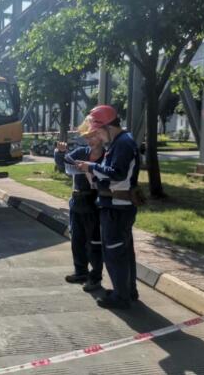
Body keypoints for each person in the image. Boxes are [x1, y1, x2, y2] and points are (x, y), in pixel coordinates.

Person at [75, 105, 140, 310]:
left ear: (108, 127)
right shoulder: (119, 142)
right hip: (116, 205)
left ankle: (122, 297)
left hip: (116, 208)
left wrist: (91, 167)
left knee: (115, 253)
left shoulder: (123, 143)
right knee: (123, 252)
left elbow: (117, 173)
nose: (98, 137)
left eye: (98, 132)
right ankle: (127, 291)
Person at [54, 120, 104, 293]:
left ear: (101, 136)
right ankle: (81, 271)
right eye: (87, 137)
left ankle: (95, 277)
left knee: (94, 242)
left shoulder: (107, 156)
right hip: (77, 200)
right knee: (77, 239)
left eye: (93, 136)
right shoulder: (82, 152)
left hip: (94, 202)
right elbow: (64, 164)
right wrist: (60, 153)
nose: (90, 140)